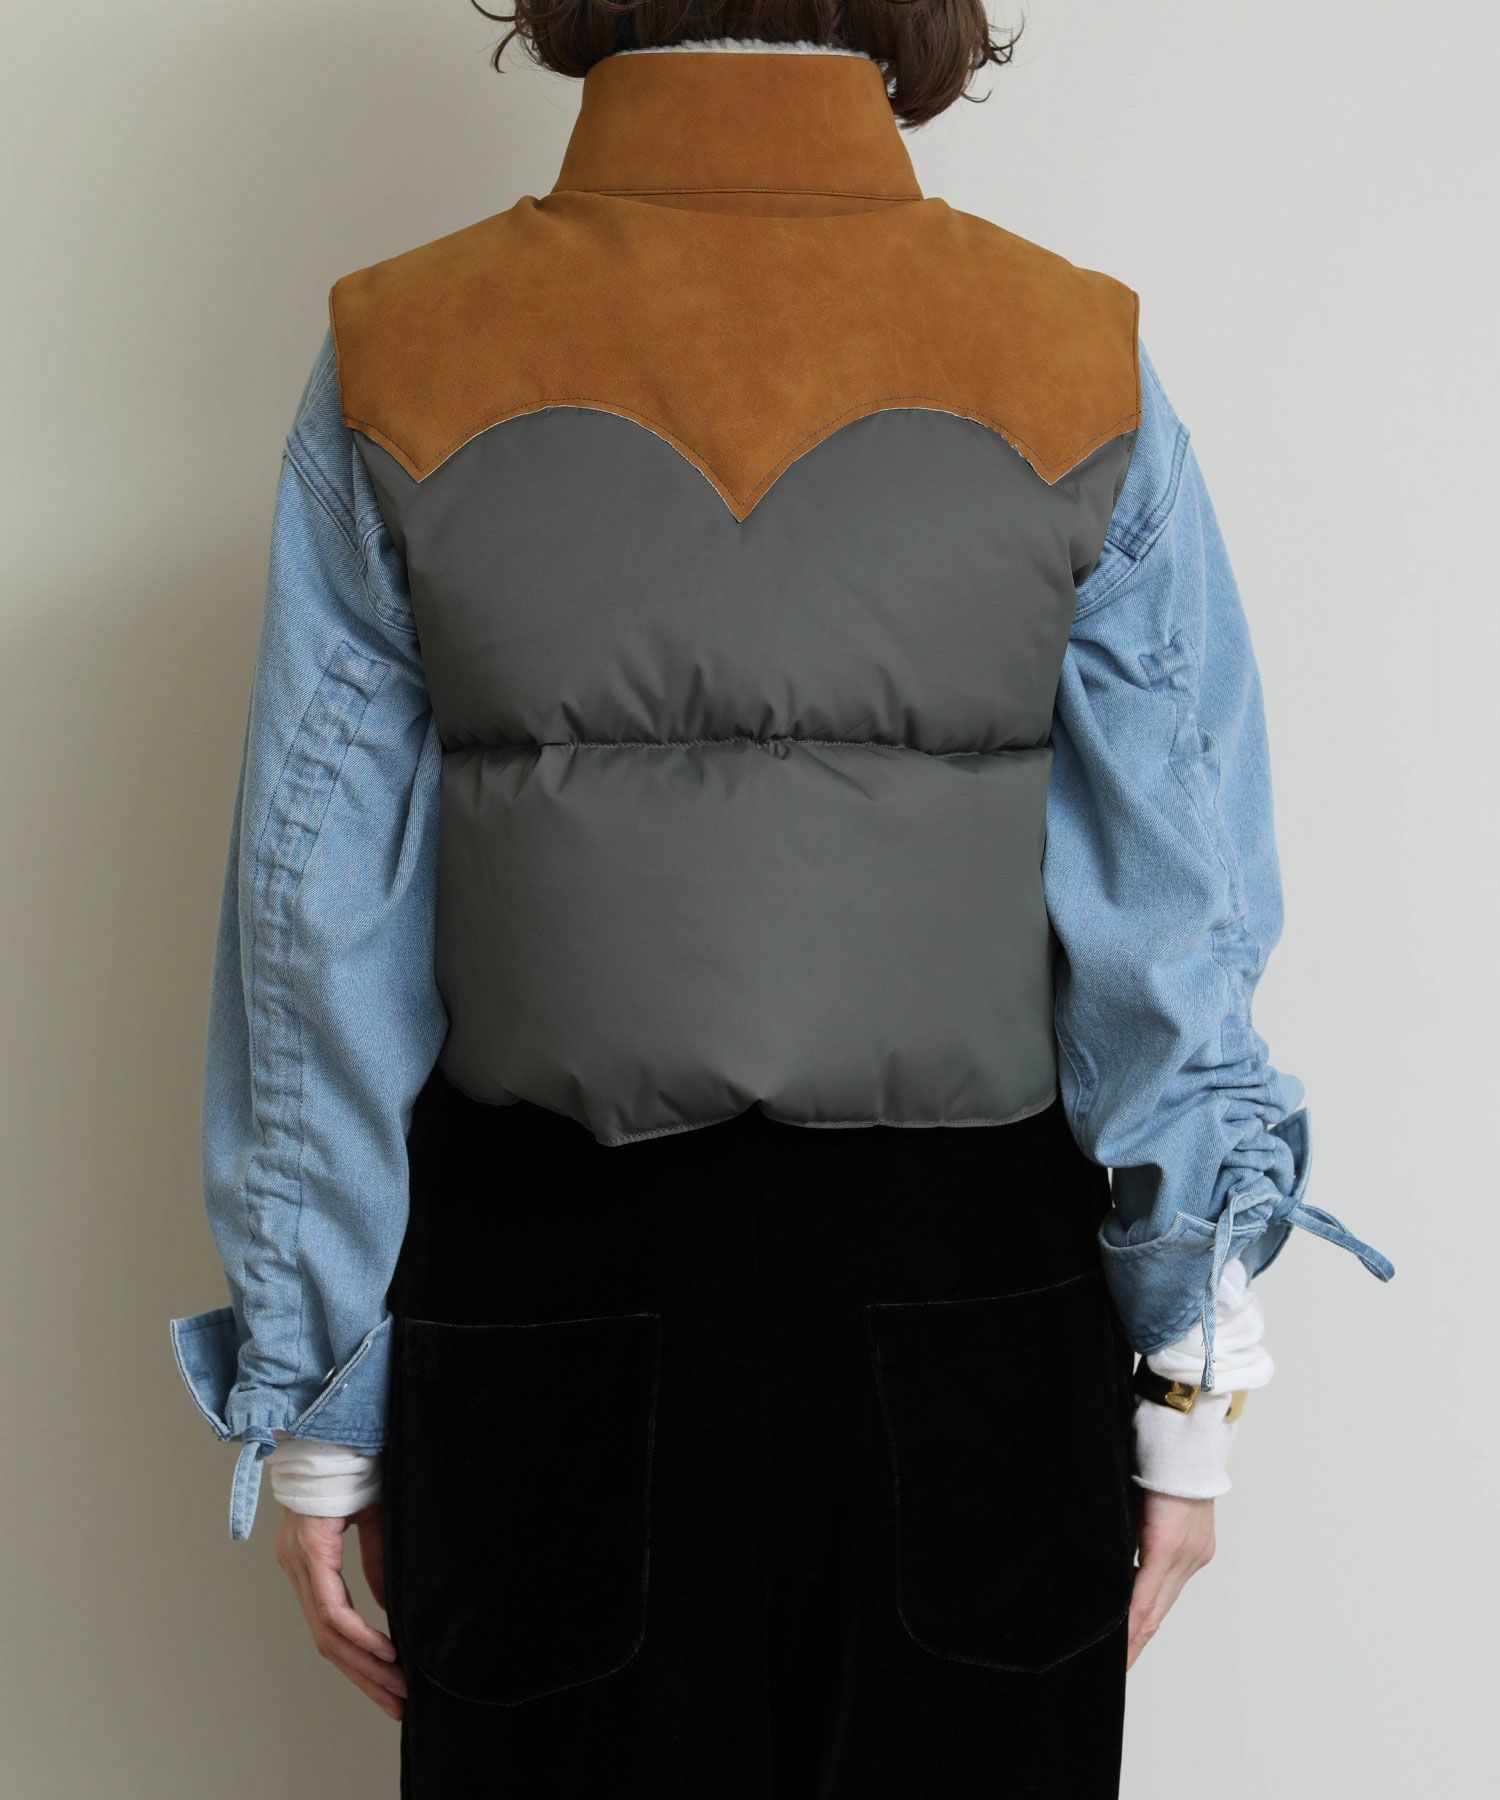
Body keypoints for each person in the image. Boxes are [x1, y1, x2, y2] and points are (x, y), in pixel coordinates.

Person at [168, 6, 1395, 1794]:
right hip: (973, 1321)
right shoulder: (1074, 355)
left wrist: (319, 1413)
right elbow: (1177, 910)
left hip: (543, 1313)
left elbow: (314, 929)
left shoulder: (400, 350)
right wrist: (1191, 1376)